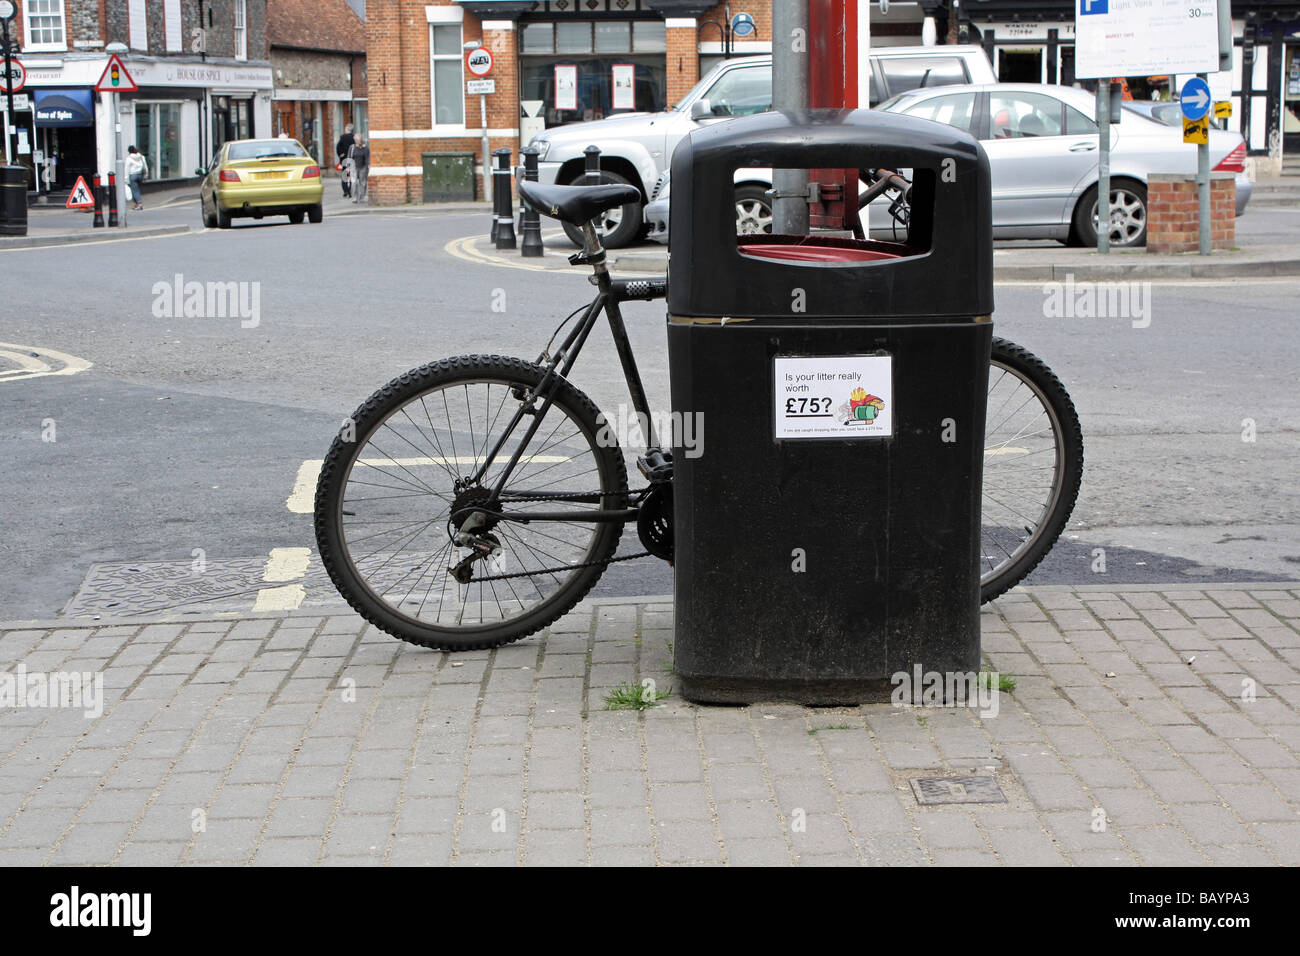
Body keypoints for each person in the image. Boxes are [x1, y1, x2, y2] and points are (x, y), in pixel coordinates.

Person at [335, 123, 355, 198]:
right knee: (351, 174)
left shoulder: (342, 137)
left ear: (346, 129)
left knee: (344, 175)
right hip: (352, 158)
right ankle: (350, 190)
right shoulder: (354, 137)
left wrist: (340, 154)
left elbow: (338, 147)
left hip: (345, 159)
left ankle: (345, 190)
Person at [125, 146, 148, 210]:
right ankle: (137, 204)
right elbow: (145, 166)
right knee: (137, 190)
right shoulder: (141, 157)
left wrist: (125, 179)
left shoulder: (129, 158)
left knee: (134, 190)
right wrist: (145, 175)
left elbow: (126, 169)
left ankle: (139, 204)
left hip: (132, 175)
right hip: (140, 175)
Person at [349, 136, 370, 204]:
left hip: (363, 166)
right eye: (357, 141)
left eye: (360, 141)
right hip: (354, 166)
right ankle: (354, 197)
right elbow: (349, 157)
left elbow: (367, 157)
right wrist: (348, 167)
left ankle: (362, 197)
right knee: (354, 182)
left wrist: (368, 165)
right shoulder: (352, 147)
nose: (359, 143)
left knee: (363, 182)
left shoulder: (365, 148)